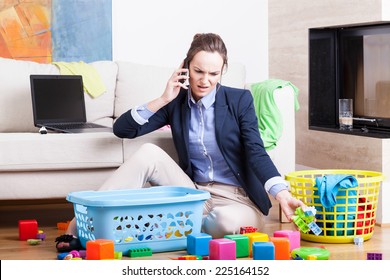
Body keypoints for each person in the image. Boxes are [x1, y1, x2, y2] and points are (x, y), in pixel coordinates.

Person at [55, 33, 305, 252]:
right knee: (148, 153)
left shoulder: (240, 100)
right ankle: (80, 226)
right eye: (198, 71)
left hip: (237, 199)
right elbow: (122, 129)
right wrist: (163, 98)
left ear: (222, 71)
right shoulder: (176, 103)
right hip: (194, 192)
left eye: (213, 73)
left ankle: (158, 224)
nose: (205, 80)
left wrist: (281, 193)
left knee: (223, 222)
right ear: (185, 67)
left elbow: (256, 151)